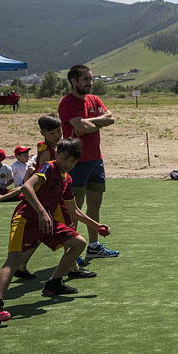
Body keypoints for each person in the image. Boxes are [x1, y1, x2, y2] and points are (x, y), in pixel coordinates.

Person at [0, 138, 110, 327]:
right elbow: (26, 187)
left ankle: (54, 283)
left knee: (79, 243)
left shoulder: (67, 179)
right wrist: (42, 211)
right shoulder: (48, 168)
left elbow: (73, 210)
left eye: (73, 161)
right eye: (66, 159)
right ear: (57, 155)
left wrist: (96, 225)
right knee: (14, 260)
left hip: (46, 223)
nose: (69, 164)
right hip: (26, 219)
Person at [58, 64, 119, 258]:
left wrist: (91, 123)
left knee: (95, 203)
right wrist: (93, 124)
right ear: (73, 81)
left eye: (90, 79)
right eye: (85, 79)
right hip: (75, 162)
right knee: (74, 208)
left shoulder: (94, 99)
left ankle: (93, 247)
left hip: (96, 160)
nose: (89, 83)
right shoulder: (67, 103)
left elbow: (110, 118)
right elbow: (83, 127)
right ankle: (72, 252)